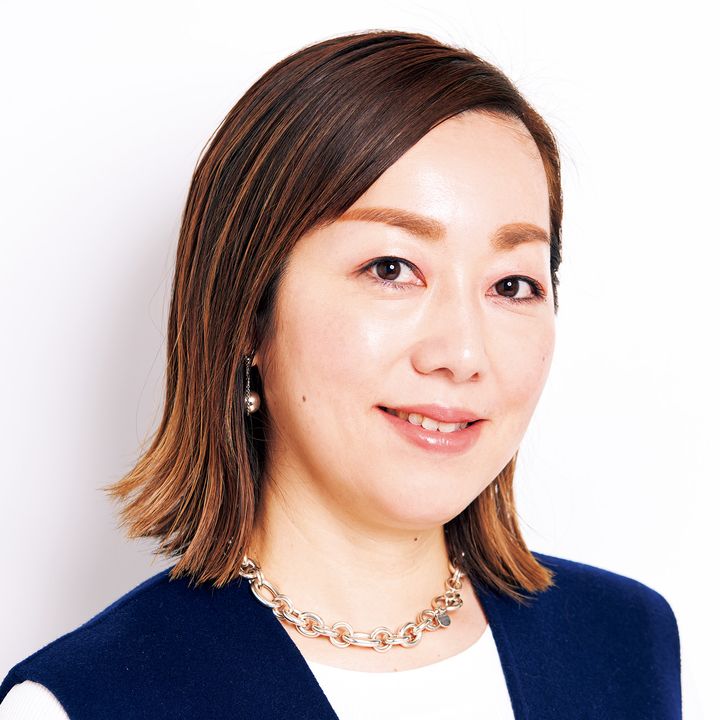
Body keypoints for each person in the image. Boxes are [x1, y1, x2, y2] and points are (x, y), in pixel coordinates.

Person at [0, 29, 681, 719]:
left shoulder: (624, 640)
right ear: (248, 314)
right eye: (391, 269)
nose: (463, 354)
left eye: (512, 285)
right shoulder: (80, 703)